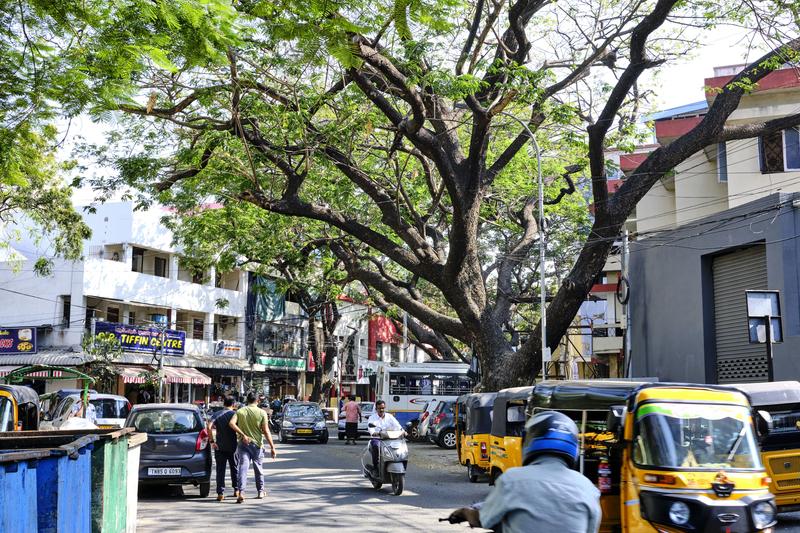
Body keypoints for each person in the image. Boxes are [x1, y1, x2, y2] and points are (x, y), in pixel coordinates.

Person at [447, 411, 601, 533]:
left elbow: (486, 518)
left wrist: (467, 513)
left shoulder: (513, 480)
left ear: (528, 441)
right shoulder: (588, 489)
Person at [229, 391, 277, 503]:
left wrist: (242, 434)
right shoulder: (262, 413)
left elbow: (231, 423)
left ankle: (241, 492)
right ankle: (260, 491)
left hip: (243, 444)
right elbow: (266, 431)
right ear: (258, 401)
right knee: (258, 468)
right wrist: (272, 447)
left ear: (247, 400)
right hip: (257, 445)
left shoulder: (240, 411)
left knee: (243, 468)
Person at [208, 397, 239, 502]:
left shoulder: (217, 414)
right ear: (233, 404)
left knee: (220, 470)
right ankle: (236, 490)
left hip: (220, 446)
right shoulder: (235, 415)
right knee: (234, 468)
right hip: (233, 446)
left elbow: (209, 427)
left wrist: (212, 441)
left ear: (223, 404)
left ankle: (220, 493)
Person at [367, 400, 403, 472]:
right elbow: (370, 428)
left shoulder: (390, 417)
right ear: (376, 409)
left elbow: (397, 425)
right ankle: (376, 467)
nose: (381, 410)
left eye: (383, 408)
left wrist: (403, 431)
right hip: (377, 439)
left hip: (390, 438)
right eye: (379, 408)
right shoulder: (372, 418)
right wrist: (374, 433)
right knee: (375, 446)